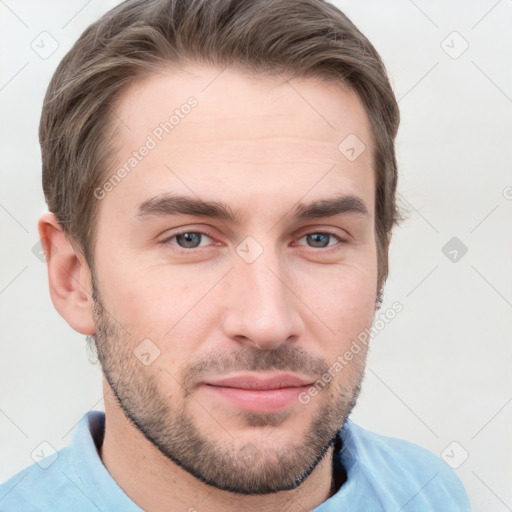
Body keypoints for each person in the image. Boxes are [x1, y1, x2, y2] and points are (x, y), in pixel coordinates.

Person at [0, 0, 470, 510]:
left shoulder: (429, 493)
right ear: (73, 277)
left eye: (319, 239)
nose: (267, 322)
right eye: (190, 239)